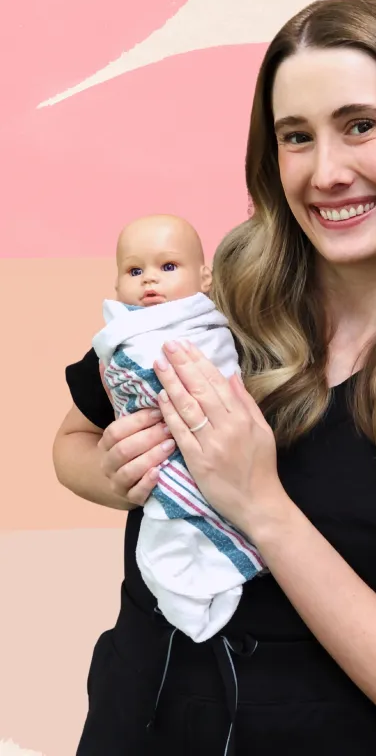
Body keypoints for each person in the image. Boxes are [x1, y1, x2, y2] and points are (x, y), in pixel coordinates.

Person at [53, 0, 376, 756]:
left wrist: (262, 507)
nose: (327, 172)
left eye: (360, 125)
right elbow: (73, 437)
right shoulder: (210, 310)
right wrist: (113, 470)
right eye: (297, 137)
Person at [93, 213, 264, 644]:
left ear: (205, 277)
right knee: (165, 545)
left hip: (231, 478)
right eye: (135, 271)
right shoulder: (128, 334)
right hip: (162, 478)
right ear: (117, 285)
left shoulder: (206, 329)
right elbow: (72, 443)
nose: (150, 281)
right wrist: (117, 473)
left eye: (168, 267)